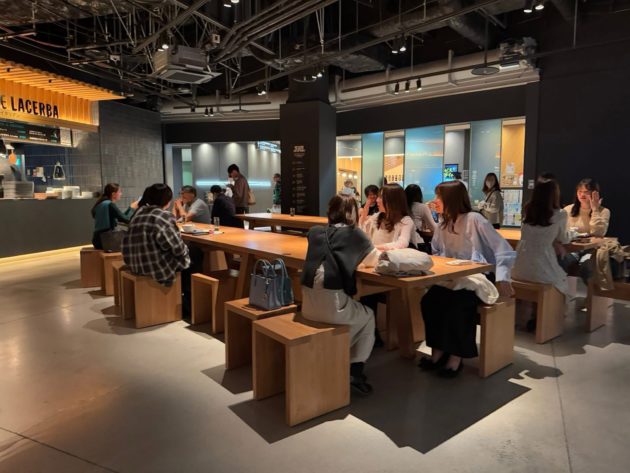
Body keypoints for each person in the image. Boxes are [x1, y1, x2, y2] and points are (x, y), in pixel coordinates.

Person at [420, 181, 515, 377]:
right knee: (429, 301)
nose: (435, 201)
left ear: (451, 200)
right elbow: (437, 251)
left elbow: (502, 249)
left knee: (457, 304)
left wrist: (504, 278)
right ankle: (438, 351)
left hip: (478, 276)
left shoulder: (474, 219)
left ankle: (456, 357)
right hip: (452, 277)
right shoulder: (444, 223)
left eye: (439, 197)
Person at [301, 194, 380, 395]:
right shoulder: (355, 234)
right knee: (368, 316)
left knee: (353, 315)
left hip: (307, 305)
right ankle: (355, 371)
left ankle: (343, 360)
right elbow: (374, 261)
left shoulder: (315, 232)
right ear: (353, 213)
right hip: (332, 305)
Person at [122, 183, 198, 318]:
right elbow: (177, 248)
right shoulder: (162, 216)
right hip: (155, 268)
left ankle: (185, 298)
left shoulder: (138, 213)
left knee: (190, 254)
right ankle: (187, 305)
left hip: (135, 264)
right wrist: (186, 252)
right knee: (196, 255)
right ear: (167, 200)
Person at [512, 178, 571, 328]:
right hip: (542, 263)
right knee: (562, 280)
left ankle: (528, 316)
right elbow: (563, 238)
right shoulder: (560, 214)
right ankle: (547, 321)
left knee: (535, 273)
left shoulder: (528, 210)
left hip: (519, 265)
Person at [560, 178, 611, 283]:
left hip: (592, 249)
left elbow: (598, 233)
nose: (582, 195)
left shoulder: (604, 211)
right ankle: (562, 291)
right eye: (580, 191)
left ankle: (590, 293)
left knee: (587, 267)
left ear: (594, 194)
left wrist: (595, 209)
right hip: (572, 248)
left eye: (586, 192)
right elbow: (562, 232)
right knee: (560, 260)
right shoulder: (568, 210)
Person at [359, 183, 419, 250]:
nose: (377, 200)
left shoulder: (406, 221)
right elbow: (362, 228)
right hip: (377, 255)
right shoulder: (377, 216)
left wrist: (373, 248)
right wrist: (366, 208)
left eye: (381, 197)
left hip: (391, 256)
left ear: (392, 201)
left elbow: (402, 243)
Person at [91, 183, 137, 250]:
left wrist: (130, 208)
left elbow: (121, 217)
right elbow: (126, 220)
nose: (121, 194)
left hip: (97, 240)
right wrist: (132, 209)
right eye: (120, 192)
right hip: (106, 240)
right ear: (113, 194)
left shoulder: (101, 204)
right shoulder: (110, 204)